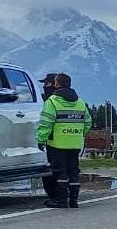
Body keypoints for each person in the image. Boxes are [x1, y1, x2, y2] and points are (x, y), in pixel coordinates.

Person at [36, 73, 92, 209]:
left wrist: (41, 139)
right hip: (75, 143)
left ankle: (61, 200)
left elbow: (46, 123)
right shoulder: (80, 102)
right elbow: (88, 122)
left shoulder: (52, 101)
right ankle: (74, 200)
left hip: (57, 143)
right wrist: (79, 134)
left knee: (60, 172)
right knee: (73, 171)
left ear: (57, 84)